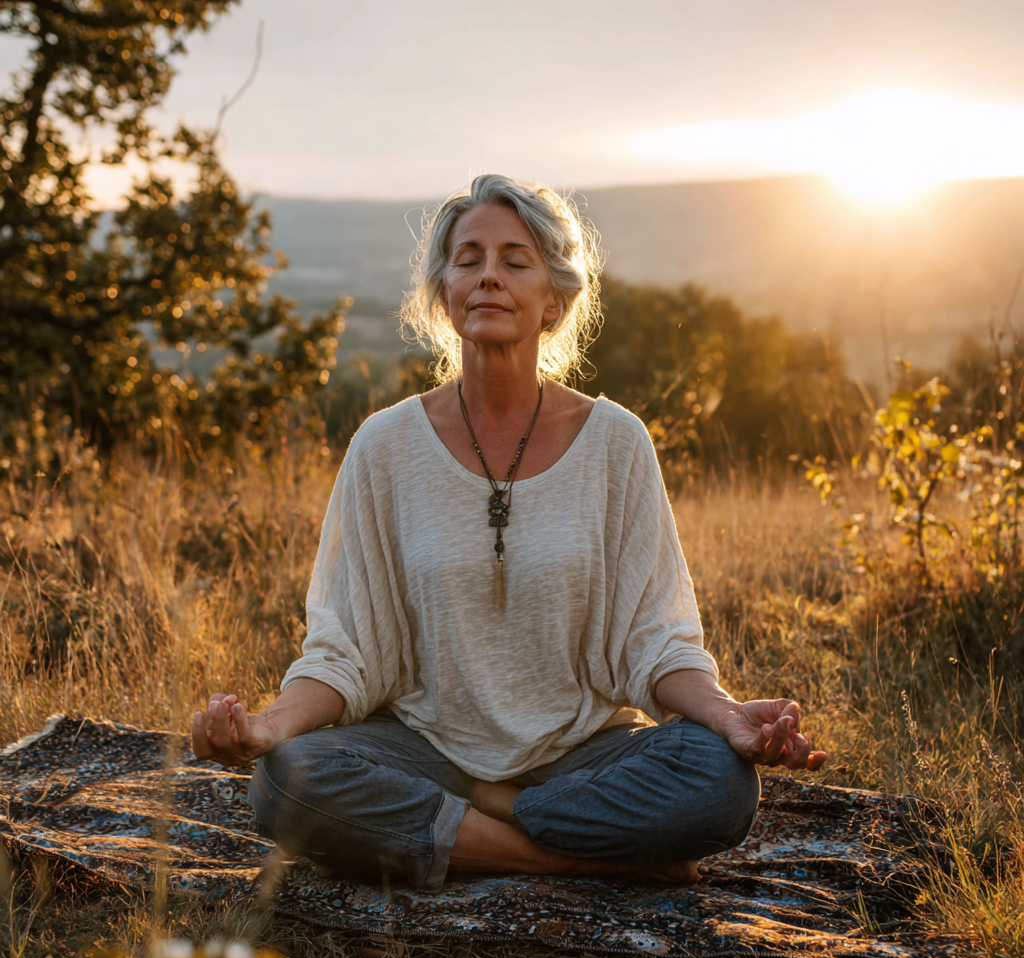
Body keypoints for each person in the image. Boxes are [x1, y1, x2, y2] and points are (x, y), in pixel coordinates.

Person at [191, 173, 827, 893]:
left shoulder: (615, 443)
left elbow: (656, 642)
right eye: (468, 260)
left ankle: (483, 819)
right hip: (426, 750)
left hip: (582, 755)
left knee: (719, 779)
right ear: (445, 295)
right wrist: (270, 726)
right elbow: (345, 652)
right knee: (287, 779)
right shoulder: (384, 446)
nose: (488, 275)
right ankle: (571, 857)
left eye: (515, 260)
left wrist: (727, 716)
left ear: (554, 300)